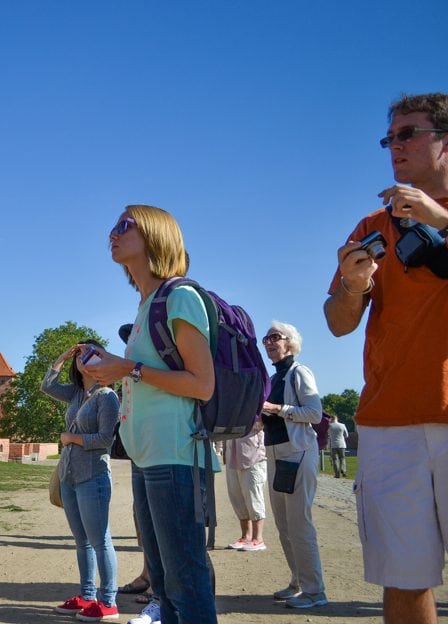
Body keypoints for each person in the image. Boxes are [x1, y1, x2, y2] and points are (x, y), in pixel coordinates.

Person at [324, 92, 448, 624]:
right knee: (404, 577)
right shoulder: (372, 224)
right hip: (389, 422)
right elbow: (337, 322)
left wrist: (440, 218)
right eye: (389, 138)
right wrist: (353, 285)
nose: (394, 146)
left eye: (408, 134)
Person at [85, 204, 217, 624]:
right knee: (163, 583)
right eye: (113, 225)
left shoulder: (180, 296)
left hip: (176, 454)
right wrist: (114, 367)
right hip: (147, 456)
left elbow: (201, 384)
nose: (113, 232)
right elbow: (146, 377)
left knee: (186, 580)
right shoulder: (147, 304)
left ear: (156, 236)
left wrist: (128, 368)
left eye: (125, 225)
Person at [43, 341, 121, 622]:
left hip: (93, 477)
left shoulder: (107, 396)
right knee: (81, 542)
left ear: (101, 359)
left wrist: (71, 438)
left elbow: (104, 440)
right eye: (79, 353)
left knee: (99, 540)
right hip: (70, 476)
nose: (82, 356)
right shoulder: (76, 394)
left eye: (90, 352)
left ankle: (109, 602)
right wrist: (63, 356)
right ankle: (87, 597)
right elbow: (47, 386)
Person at [260, 322, 328, 609]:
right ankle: (298, 581)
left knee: (300, 524)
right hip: (275, 452)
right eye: (266, 338)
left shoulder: (299, 372)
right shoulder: (274, 378)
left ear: (291, 343)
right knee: (284, 524)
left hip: (297, 452)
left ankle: (316, 591)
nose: (269, 342)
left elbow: (314, 413)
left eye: (275, 337)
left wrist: (276, 409)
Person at [221, 422, 267, 552]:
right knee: (237, 497)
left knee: (253, 494)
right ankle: (246, 536)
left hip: (252, 452)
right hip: (232, 451)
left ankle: (258, 538)